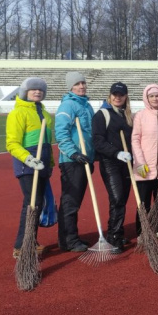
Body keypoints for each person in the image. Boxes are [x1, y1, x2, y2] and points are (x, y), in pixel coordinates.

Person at [6, 77, 54, 259]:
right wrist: (28, 159)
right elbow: (12, 143)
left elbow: (47, 143)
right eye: (33, 89)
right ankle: (20, 246)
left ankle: (31, 241)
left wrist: (49, 164)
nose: (37, 92)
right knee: (31, 203)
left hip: (42, 164)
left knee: (38, 203)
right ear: (25, 92)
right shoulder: (18, 113)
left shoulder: (44, 113)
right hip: (27, 164)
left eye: (41, 90)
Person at [55, 71, 95, 252]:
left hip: (86, 159)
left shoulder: (86, 105)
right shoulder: (68, 105)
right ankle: (68, 240)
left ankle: (71, 237)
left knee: (76, 201)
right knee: (70, 202)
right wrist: (73, 154)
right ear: (70, 87)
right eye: (77, 84)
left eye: (83, 83)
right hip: (72, 161)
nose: (81, 86)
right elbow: (61, 133)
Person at [91, 82, 133, 254]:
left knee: (122, 199)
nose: (117, 97)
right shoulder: (102, 115)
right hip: (110, 163)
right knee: (116, 198)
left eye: (121, 95)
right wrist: (116, 153)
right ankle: (114, 236)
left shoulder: (129, 116)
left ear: (125, 97)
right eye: (114, 94)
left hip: (127, 163)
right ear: (110, 96)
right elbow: (97, 141)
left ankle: (118, 232)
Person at [131, 83, 158, 241]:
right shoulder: (140, 116)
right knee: (143, 201)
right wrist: (140, 162)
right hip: (144, 167)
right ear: (146, 98)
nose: (155, 98)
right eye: (152, 96)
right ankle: (142, 231)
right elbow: (135, 139)